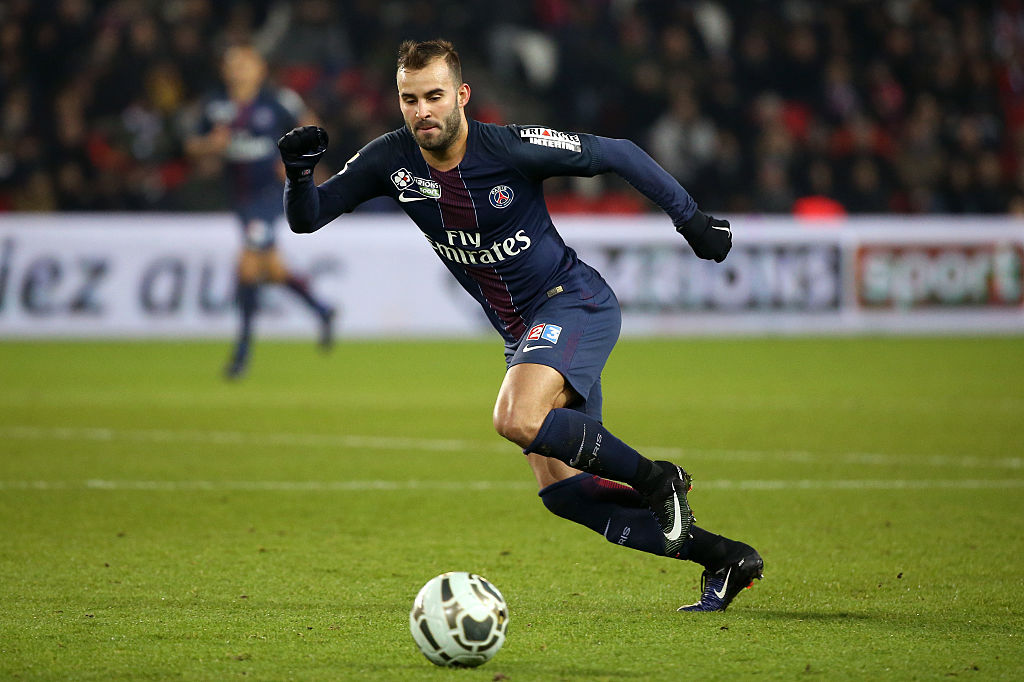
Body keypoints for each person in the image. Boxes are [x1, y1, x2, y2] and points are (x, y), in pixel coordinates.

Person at [279, 39, 763, 611]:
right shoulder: (391, 160)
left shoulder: (510, 147)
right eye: (410, 100)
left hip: (573, 303)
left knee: (515, 417)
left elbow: (620, 152)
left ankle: (660, 481)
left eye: (434, 96)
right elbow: (308, 218)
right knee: (566, 493)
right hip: (523, 335)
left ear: (462, 95)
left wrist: (692, 221)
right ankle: (725, 557)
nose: (422, 111)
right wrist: (299, 174)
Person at [185, 44, 335, 380]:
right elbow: (192, 145)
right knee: (274, 269)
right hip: (239, 197)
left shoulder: (279, 101)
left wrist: (297, 162)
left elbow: (314, 131)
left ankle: (242, 351)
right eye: (232, 64)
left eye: (245, 63)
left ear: (259, 69)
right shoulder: (215, 104)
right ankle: (322, 310)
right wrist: (210, 145)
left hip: (272, 194)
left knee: (248, 266)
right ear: (224, 70)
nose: (238, 69)